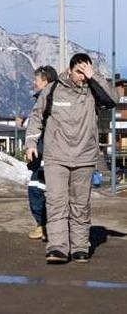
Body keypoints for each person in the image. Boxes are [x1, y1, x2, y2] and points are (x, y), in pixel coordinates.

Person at [26, 53, 117, 264]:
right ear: (69, 70)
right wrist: (31, 144)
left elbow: (113, 100)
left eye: (86, 72)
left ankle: (79, 247)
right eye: (79, 72)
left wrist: (95, 77)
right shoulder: (53, 89)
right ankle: (57, 248)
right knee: (57, 202)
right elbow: (36, 117)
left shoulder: (94, 90)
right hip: (56, 156)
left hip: (84, 157)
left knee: (80, 204)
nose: (83, 77)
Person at [27, 65, 58, 241]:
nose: (33, 82)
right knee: (36, 189)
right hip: (41, 155)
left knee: (46, 192)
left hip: (51, 155)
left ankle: (49, 227)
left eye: (36, 80)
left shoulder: (52, 100)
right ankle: (43, 225)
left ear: (45, 81)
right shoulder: (40, 99)